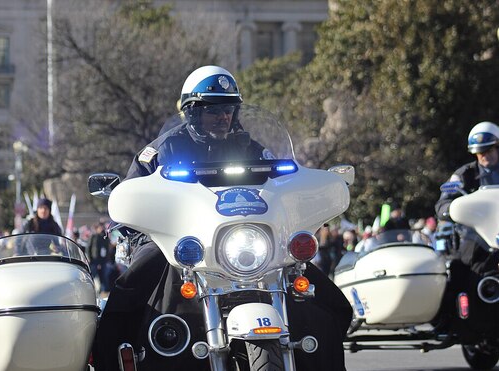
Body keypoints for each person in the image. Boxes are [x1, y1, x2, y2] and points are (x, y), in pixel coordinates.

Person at [94, 65, 352, 371]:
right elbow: (131, 191)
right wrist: (134, 220)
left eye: (228, 109)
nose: (223, 116)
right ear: (192, 112)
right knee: (133, 283)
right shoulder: (163, 149)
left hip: (246, 241)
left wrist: (308, 189)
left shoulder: (250, 146)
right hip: (178, 242)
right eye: (213, 110)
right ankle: (108, 355)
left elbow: (284, 181)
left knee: (331, 301)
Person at [435, 121, 499, 274]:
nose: (484, 156)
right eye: (480, 152)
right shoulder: (464, 175)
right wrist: (454, 209)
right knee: (462, 271)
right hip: (476, 239)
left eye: (488, 150)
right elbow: (442, 204)